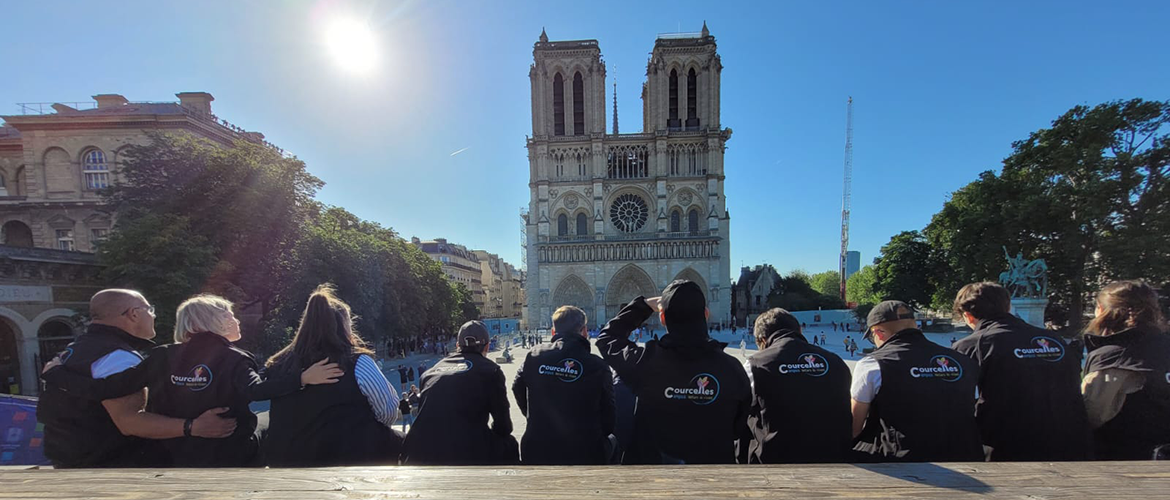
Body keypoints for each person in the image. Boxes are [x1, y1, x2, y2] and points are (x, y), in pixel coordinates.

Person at [42, 294, 343, 467]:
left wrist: (56, 374)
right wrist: (303, 377)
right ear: (217, 322)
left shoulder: (161, 355)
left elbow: (105, 389)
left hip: (176, 455)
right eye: (231, 315)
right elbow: (256, 391)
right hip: (230, 453)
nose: (237, 320)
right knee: (266, 424)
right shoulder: (235, 358)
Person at [37, 289, 236, 468]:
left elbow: (98, 391)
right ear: (134, 314)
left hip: (70, 460)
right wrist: (193, 427)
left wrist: (56, 374)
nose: (154, 315)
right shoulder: (117, 356)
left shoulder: (74, 350)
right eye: (150, 310)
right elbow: (130, 422)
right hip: (112, 466)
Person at [597, 280, 751, 464]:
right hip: (712, 475)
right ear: (706, 314)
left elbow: (607, 338)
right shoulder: (732, 368)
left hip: (653, 476)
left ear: (662, 318)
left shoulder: (644, 361)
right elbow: (738, 427)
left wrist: (643, 306)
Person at [264, 285, 405, 466]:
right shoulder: (356, 361)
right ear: (342, 326)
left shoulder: (278, 363)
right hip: (348, 458)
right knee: (404, 443)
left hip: (288, 460)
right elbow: (388, 410)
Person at [951, 282, 1091, 461]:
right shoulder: (1053, 339)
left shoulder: (972, 345)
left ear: (968, 316)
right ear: (1008, 307)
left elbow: (956, 399)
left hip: (1007, 443)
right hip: (1068, 438)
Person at [850, 300, 983, 462]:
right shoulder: (961, 360)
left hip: (901, 458)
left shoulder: (872, 364)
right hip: (963, 454)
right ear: (915, 325)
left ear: (878, 332)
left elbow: (855, 425)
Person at [401, 321, 517, 465]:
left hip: (418, 453)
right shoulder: (491, 371)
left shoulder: (429, 373)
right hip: (463, 453)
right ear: (487, 346)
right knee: (509, 444)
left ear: (457, 346)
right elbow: (503, 426)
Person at [744, 308, 851, 463]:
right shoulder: (835, 361)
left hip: (775, 460)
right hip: (833, 459)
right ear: (800, 330)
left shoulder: (756, 364)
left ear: (762, 340)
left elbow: (740, 410)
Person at [512, 306, 614, 464]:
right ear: (584, 331)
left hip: (537, 449)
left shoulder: (534, 356)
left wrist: (531, 417)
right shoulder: (598, 365)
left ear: (553, 331)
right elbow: (609, 418)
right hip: (585, 452)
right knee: (614, 442)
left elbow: (516, 386)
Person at [1082, 280, 1170, 460]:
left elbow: (1092, 414)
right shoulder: (1164, 345)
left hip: (1126, 458)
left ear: (1101, 310)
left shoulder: (1112, 357)